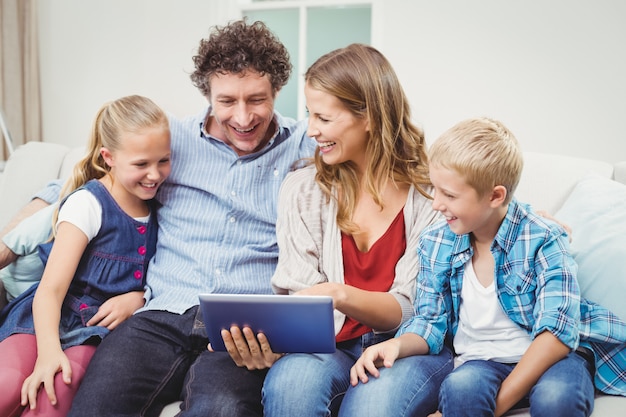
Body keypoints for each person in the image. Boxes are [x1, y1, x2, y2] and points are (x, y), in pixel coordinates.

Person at [68, 20, 316, 416]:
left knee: (220, 408)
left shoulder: (306, 144)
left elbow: (374, 154)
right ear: (207, 94)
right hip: (161, 314)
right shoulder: (171, 140)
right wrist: (10, 244)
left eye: (257, 99)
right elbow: (85, 185)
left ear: (277, 91)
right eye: (227, 101)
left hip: (246, 326)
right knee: (96, 406)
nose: (243, 116)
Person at [348, 117, 626, 417]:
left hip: (553, 359)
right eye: (436, 190)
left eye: (450, 195)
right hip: (481, 361)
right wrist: (396, 346)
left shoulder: (544, 237)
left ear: (495, 196)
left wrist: (497, 405)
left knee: (557, 398)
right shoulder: (436, 242)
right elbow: (430, 322)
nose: (436, 204)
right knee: (460, 390)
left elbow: (557, 334)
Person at [261, 43, 452, 416]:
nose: (311, 130)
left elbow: (413, 310)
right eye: (308, 115)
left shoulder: (432, 194)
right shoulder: (302, 191)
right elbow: (302, 298)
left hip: (408, 345)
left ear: (369, 116)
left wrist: (339, 294)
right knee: (291, 387)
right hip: (328, 347)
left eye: (324, 118)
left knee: (371, 406)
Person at [0, 94, 171, 417]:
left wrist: (138, 297)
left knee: (58, 389)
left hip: (95, 332)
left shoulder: (163, 210)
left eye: (163, 160)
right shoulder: (88, 204)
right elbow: (50, 290)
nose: (154, 174)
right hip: (44, 320)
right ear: (109, 157)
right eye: (141, 164)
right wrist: (48, 353)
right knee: (8, 384)